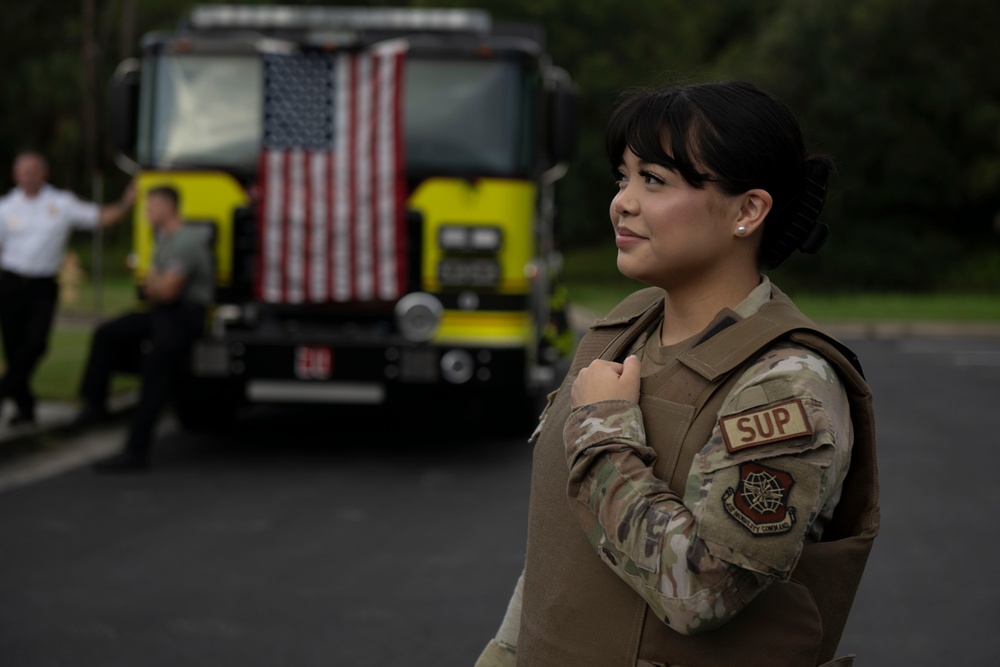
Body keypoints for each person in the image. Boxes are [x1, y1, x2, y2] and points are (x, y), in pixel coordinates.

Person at [475, 81, 879, 667]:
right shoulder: (624, 331)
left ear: (748, 210)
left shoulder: (787, 381)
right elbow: (566, 547)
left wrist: (602, 434)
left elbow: (705, 593)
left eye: (654, 181)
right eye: (624, 176)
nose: (623, 201)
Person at [74, 185, 213, 472]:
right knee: (107, 333)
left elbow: (167, 291)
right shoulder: (163, 239)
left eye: (151, 207)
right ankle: (95, 405)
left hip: (184, 316)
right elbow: (150, 286)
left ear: (168, 207)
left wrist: (157, 284)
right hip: (162, 312)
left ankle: (135, 452)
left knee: (155, 369)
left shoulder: (186, 240)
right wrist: (156, 284)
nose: (147, 213)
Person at [0, 151, 134, 425]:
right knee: (14, 349)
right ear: (15, 176)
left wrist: (126, 203)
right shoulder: (6, 207)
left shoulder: (61, 203)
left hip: (42, 285)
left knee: (36, 344)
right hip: (11, 283)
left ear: (44, 173)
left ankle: (4, 390)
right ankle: (25, 408)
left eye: (34, 170)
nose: (29, 176)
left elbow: (99, 217)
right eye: (24, 171)